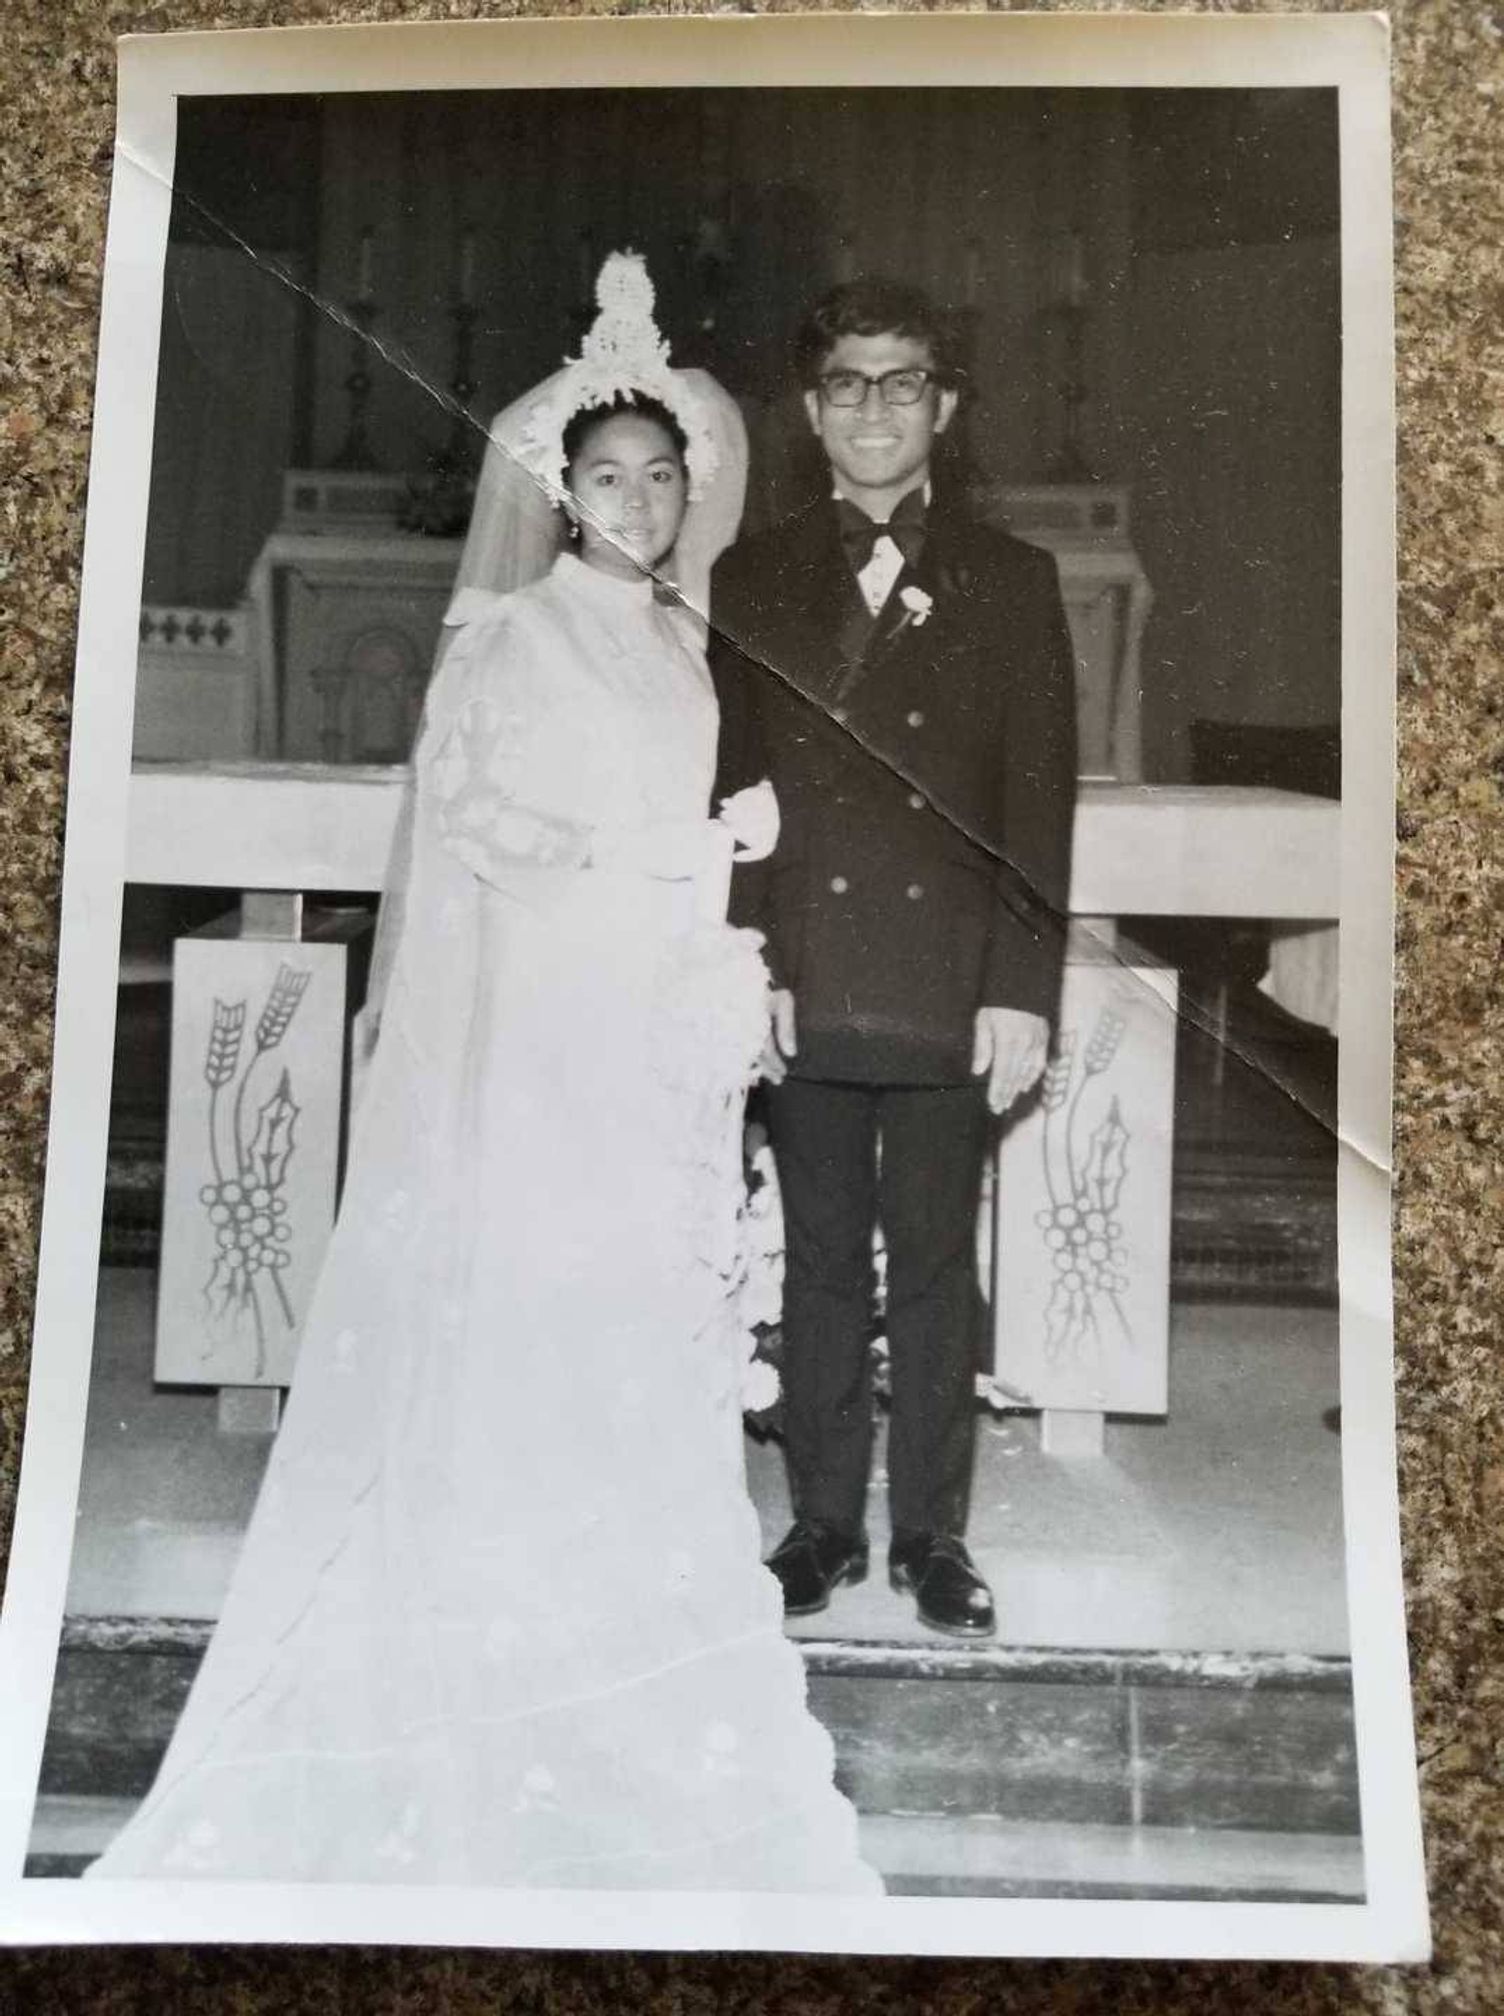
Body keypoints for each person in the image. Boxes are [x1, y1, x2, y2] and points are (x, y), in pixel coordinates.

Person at [87, 256, 878, 1894]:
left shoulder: (687, 646)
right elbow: (480, 833)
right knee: (537, 1311)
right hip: (544, 1040)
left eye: (666, 477)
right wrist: (671, 846)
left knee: (634, 1313)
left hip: (653, 1029)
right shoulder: (507, 637)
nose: (643, 502)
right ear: (560, 493)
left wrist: (719, 902)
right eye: (610, 479)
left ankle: (618, 1578)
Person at [710, 278, 1078, 1640]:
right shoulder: (750, 575)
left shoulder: (1011, 578)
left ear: (946, 406)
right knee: (814, 1262)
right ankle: (817, 1528)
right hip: (808, 974)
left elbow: (1040, 807)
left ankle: (932, 1536)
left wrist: (1021, 990)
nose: (876, 408)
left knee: (931, 1266)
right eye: (849, 384)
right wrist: (747, 968)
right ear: (811, 412)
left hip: (942, 983)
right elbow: (735, 790)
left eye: (904, 382)